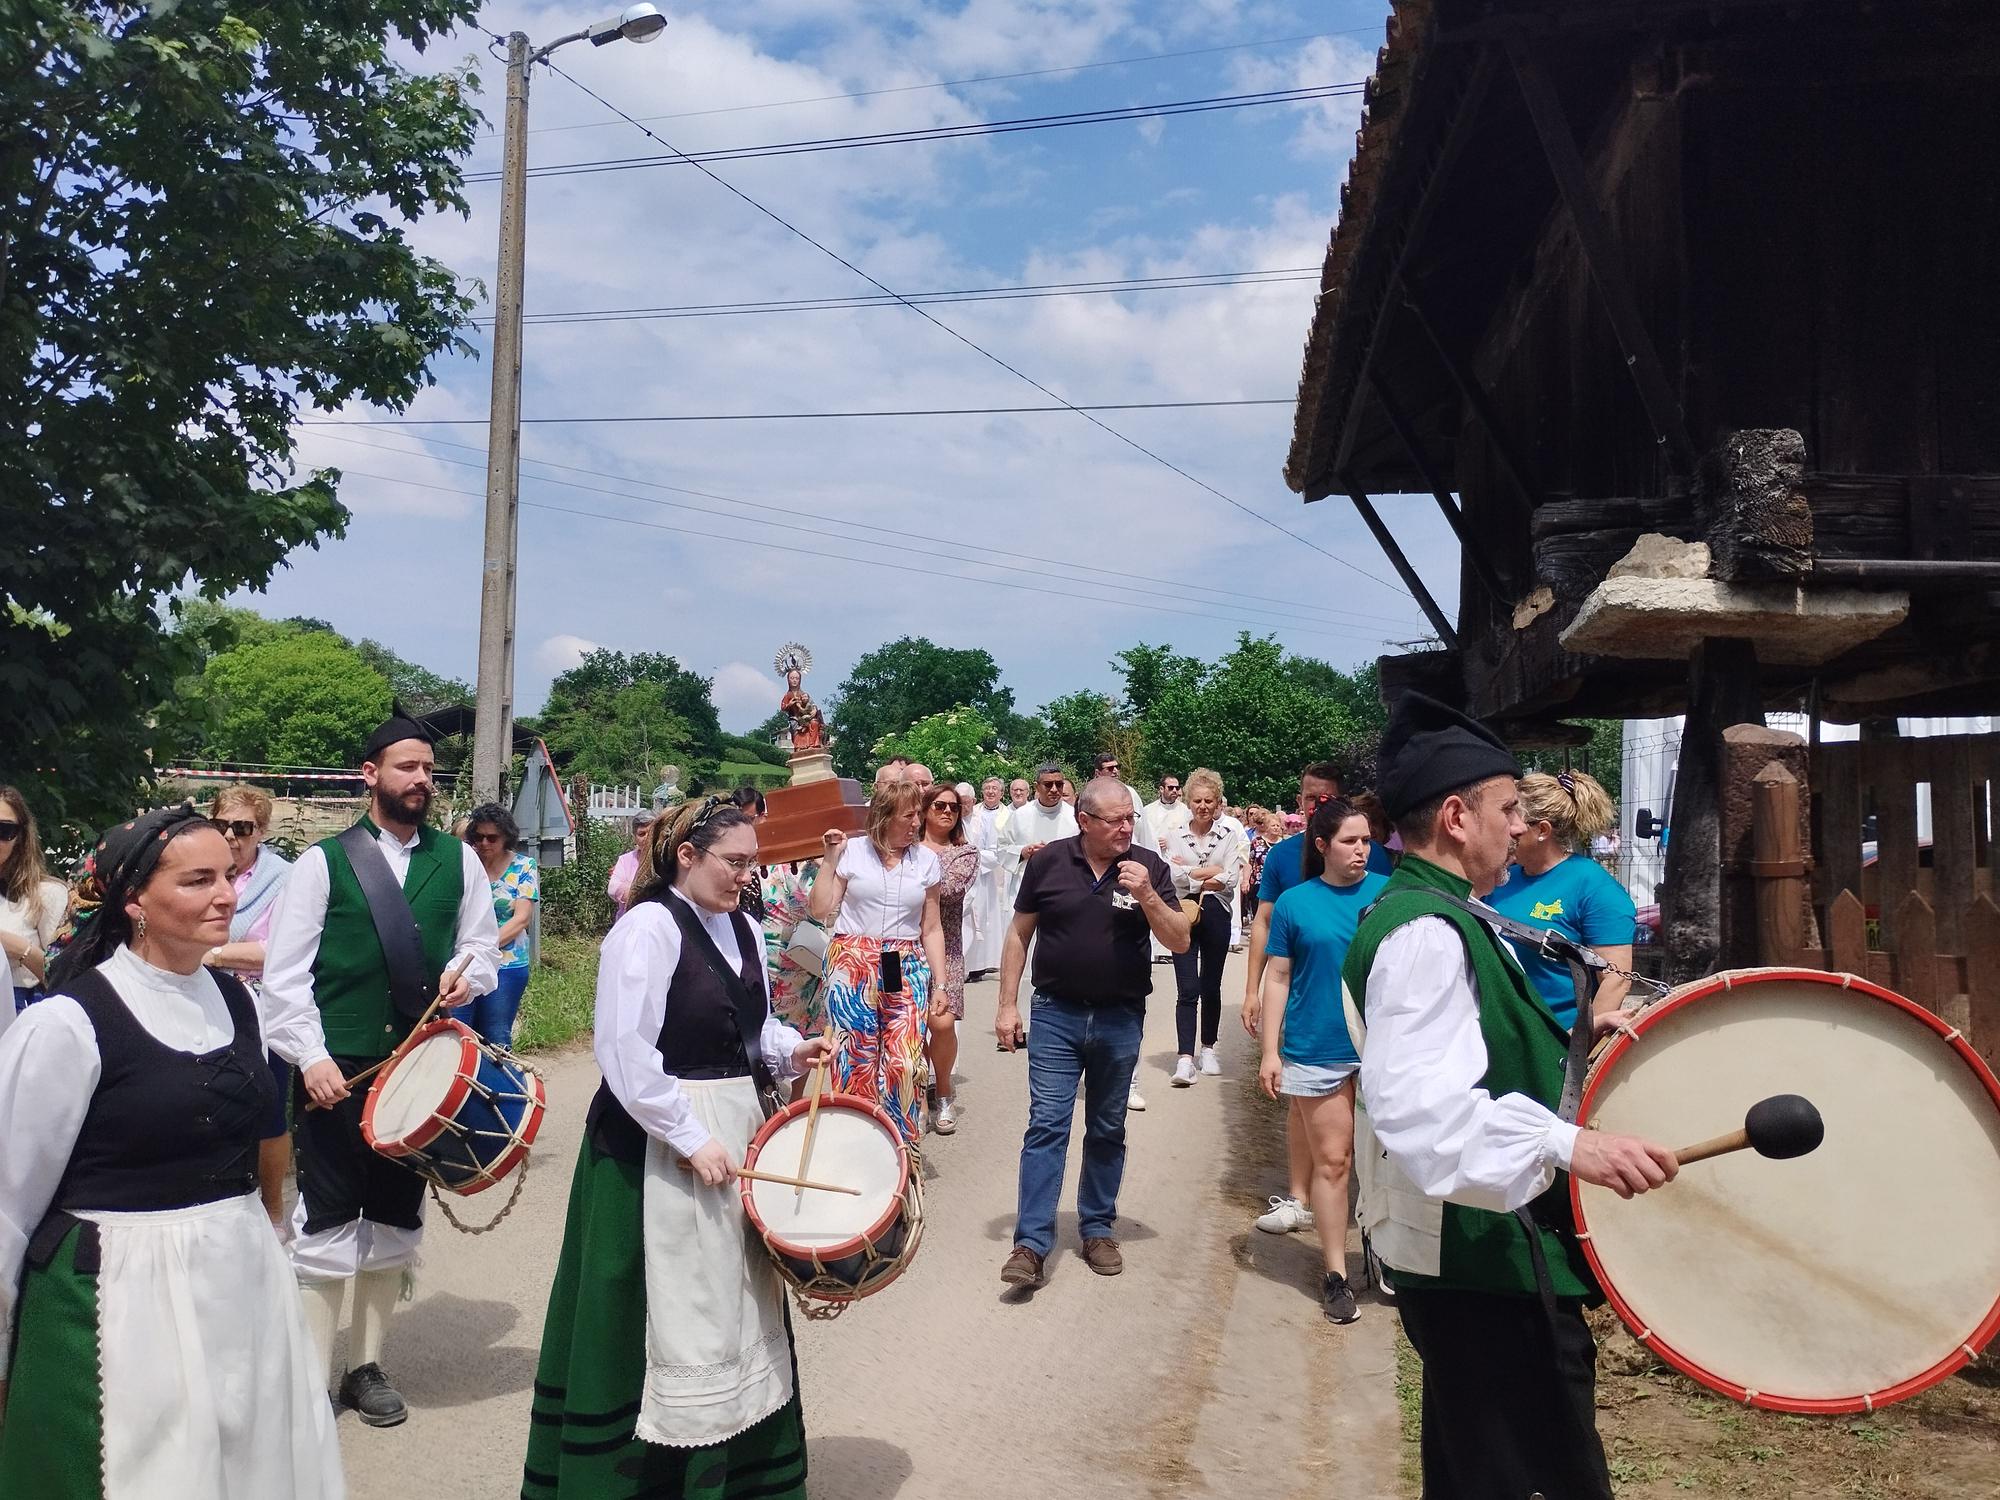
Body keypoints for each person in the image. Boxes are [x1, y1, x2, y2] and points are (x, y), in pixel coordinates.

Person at [1344, 694, 1678, 1500]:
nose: (1518, 825)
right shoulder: (1424, 930)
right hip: (1476, 1261)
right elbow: (1423, 1112)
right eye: (1506, 809)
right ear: (1457, 817)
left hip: (1483, 1254)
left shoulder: (1450, 915)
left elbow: (1469, 1063)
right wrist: (1572, 1146)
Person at [0, 806, 342, 1496]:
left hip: (239, 1279)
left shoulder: (236, 1002)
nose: (227, 894)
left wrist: (271, 1231)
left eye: (228, 875)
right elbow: (8, 1203)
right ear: (135, 901)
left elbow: (263, 1133)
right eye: (197, 881)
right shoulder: (70, 1023)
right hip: (120, 1298)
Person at [523, 799, 829, 1500]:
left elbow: (750, 1029)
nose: (746, 878)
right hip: (649, 1144)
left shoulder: (746, 930)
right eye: (735, 862)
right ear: (687, 855)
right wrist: (691, 1139)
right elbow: (625, 1054)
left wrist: (791, 1049)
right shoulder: (647, 930)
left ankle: (729, 1476)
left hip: (732, 1130)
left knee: (729, 1308)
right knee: (655, 1311)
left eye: (754, 864)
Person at [261, 713, 500, 1427]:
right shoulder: (321, 863)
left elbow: (482, 948)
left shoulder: (457, 861)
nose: (421, 779)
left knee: (395, 1214)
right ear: (370, 774)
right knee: (328, 1215)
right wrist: (311, 1057)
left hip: (419, 1068)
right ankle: (308, 1374)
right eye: (406, 767)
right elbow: (285, 977)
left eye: (428, 768)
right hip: (337, 1067)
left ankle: (364, 1367)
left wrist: (465, 974)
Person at [996, 781, 1188, 1287]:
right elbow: (1020, 933)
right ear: (1084, 820)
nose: (1126, 827)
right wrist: (1006, 1005)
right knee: (1046, 1127)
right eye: (1114, 820)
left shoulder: (1148, 866)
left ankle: (1097, 1227)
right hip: (1055, 1014)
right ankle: (1031, 1243)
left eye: (1129, 818)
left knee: (1107, 1128)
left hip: (1120, 1017)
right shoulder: (1048, 863)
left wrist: (1146, 893)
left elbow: (1179, 938)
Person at [1257, 797, 1389, 1323]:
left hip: (1385, 1050)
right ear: (1321, 846)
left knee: (1390, 1163)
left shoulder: (1389, 895)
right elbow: (1280, 978)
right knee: (1334, 1163)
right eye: (1348, 841)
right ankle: (1336, 1272)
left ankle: (1388, 1257)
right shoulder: (1295, 903)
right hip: (1316, 1047)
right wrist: (1271, 1050)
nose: (1361, 850)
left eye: (1365, 840)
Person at [809, 781, 948, 1147]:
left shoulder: (927, 861)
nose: (918, 821)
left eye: (919, 813)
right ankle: (860, 1150)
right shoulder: (852, 852)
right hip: (852, 961)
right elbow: (820, 909)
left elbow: (931, 927)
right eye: (910, 814)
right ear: (885, 817)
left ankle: (901, 1153)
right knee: (856, 1060)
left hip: (903, 962)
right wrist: (829, 859)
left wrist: (942, 984)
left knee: (904, 1062)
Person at [1240, 763, 1344, 1235]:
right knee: (1303, 1099)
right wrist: (1252, 989)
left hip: (1351, 993)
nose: (1315, 806)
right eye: (1309, 798)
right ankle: (1299, 1197)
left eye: (1326, 799)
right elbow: (1263, 920)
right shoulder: (1283, 857)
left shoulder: (1373, 857)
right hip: (1299, 988)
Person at [200, 785, 297, 1229]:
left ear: (262, 831)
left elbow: (282, 951)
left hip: (263, 1008)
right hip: (201, 1002)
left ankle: (273, 1211)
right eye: (222, 825)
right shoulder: (201, 871)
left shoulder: (284, 879)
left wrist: (213, 955)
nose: (231, 836)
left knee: (268, 1109)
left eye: (243, 827)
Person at [1489, 771, 1635, 1031]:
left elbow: (1616, 980)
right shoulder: (1502, 879)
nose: (1507, 831)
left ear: (1542, 830)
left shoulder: (1595, 888)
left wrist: (1579, 1046)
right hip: (1505, 1037)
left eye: (1514, 823)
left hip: (1556, 1041)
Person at [1162, 768, 1246, 1087]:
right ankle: (1185, 1058)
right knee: (1188, 988)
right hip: (1181, 911)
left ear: (1217, 802)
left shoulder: (1228, 836)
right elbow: (1171, 875)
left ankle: (1207, 1048)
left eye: (1208, 800)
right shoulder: (1175, 834)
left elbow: (1230, 878)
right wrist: (1207, 872)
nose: (1202, 806)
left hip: (1216, 912)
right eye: (1197, 800)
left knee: (1211, 984)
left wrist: (1193, 873)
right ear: (1188, 801)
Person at [995, 764, 1080, 1057]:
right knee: (1018, 955)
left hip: (1065, 893)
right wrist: (1023, 851)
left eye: (1058, 784)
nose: (1054, 790)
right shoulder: (1020, 816)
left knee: (1055, 958)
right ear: (1036, 787)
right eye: (1048, 784)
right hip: (1027, 891)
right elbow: (1000, 847)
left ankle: (1055, 1024)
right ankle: (1009, 1020)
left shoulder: (1073, 816)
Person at [919, 782, 979, 1134]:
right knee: (910, 1025)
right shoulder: (905, 848)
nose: (946, 811)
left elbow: (951, 889)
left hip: (947, 945)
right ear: (926, 808)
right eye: (939, 805)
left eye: (953, 808)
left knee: (940, 1023)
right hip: (905, 945)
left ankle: (942, 1087)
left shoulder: (964, 853)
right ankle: (915, 1091)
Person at [465, 802, 539, 1049]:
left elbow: (521, 918)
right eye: (479, 837)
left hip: (506, 965)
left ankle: (503, 1086)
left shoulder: (523, 867)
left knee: (496, 1038)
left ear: (506, 836)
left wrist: (483, 946)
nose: (484, 843)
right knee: (461, 1037)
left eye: (492, 837)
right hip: (464, 965)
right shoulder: (466, 863)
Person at [0, 786, 68, 1040]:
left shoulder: (46, 894)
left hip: (18, 1018)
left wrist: (19, 949)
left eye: (3, 830)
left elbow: (66, 977)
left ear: (20, 836)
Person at [965, 778, 1007, 978]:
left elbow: (1002, 847)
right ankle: (971, 964)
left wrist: (980, 859)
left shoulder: (1007, 815)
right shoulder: (975, 813)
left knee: (989, 917)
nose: (990, 792)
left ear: (1001, 793)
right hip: (972, 870)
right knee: (973, 918)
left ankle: (986, 962)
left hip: (991, 872)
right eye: (987, 788)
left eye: (995, 789)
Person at [607, 810, 656, 919]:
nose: (647, 837)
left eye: (651, 832)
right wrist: (647, 893)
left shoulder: (665, 859)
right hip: (628, 921)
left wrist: (630, 889)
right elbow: (613, 888)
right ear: (635, 837)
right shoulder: (625, 860)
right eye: (641, 834)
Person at [1143, 774, 1190, 848]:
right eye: (1171, 788)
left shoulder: (1185, 811)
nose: (1174, 790)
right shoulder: (1147, 810)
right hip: (1153, 854)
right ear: (1161, 789)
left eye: (1177, 788)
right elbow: (1142, 835)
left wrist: (1172, 842)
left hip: (1176, 855)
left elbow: (1192, 836)